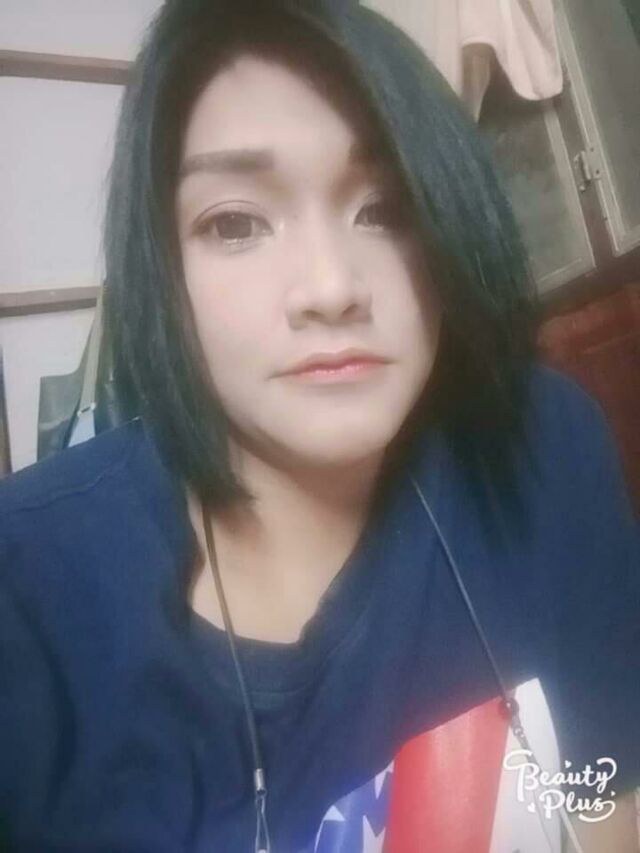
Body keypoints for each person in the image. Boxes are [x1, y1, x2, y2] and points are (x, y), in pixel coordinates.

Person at [1, 1, 639, 851]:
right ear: (161, 269)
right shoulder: (26, 595)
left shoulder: (544, 447)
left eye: (386, 209)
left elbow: (605, 804)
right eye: (236, 223)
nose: (333, 287)